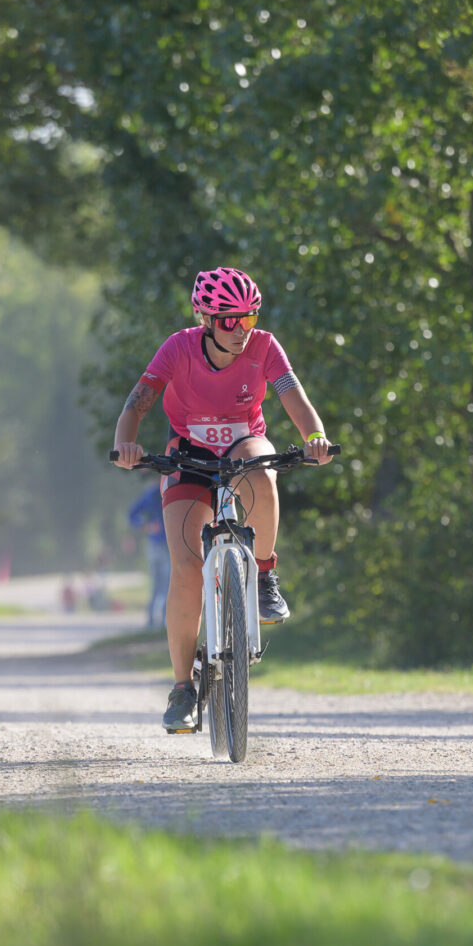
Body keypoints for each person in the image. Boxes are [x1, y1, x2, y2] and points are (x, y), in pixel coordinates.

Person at [112, 266, 333, 733]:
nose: (240, 331)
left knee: (262, 467)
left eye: (248, 318)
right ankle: (181, 688)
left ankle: (266, 576)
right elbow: (137, 403)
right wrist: (126, 445)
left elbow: (295, 400)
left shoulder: (264, 346)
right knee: (187, 568)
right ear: (206, 319)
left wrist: (314, 436)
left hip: (242, 444)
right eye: (230, 321)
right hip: (187, 454)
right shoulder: (178, 347)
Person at [127, 479, 171, 629]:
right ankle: (153, 620)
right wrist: (146, 526)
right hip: (155, 544)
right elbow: (132, 514)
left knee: (167, 582)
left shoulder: (169, 491)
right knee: (158, 583)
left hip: (168, 544)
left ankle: (165, 620)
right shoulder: (151, 495)